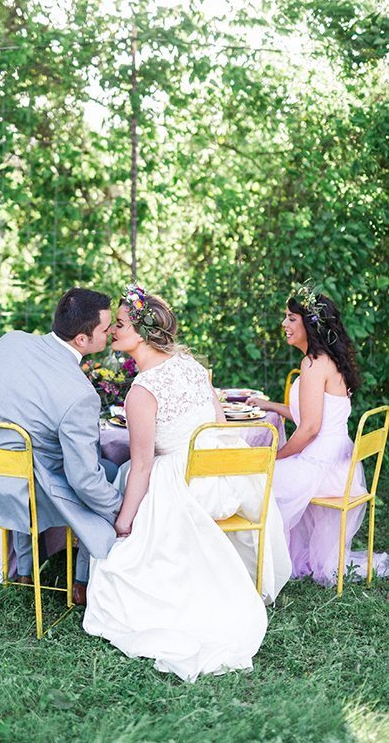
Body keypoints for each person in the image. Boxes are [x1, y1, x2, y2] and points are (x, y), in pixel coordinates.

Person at [83, 286, 291, 681]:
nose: (112, 331)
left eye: (121, 324)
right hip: (219, 475)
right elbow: (220, 425)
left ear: (142, 333)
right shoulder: (192, 366)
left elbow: (143, 466)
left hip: (180, 481)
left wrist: (123, 523)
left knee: (119, 552)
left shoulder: (142, 392)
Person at [0, 287, 123, 604]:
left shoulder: (10, 341)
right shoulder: (80, 394)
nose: (112, 332)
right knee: (107, 475)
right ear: (82, 339)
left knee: (30, 463)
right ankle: (83, 585)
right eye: (105, 329)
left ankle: (25, 571)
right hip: (27, 494)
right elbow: (84, 480)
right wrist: (122, 510)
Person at [247, 282, 388, 585]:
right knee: (262, 480)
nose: (283, 324)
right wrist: (267, 405)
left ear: (309, 325)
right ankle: (269, 559)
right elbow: (308, 415)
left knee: (258, 483)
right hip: (336, 460)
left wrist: (274, 457)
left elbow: (309, 429)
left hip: (321, 465)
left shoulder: (313, 364)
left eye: (290, 318)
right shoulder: (326, 360)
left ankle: (264, 566)